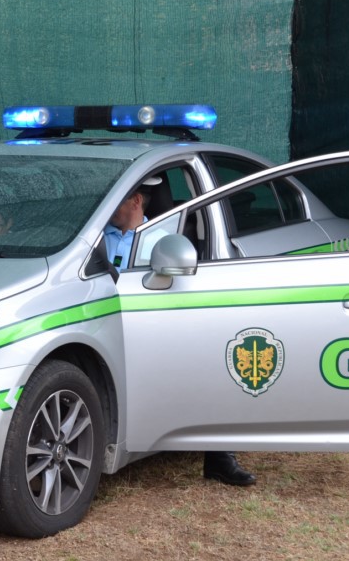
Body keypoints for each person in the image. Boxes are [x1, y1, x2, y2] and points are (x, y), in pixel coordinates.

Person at [104, 177, 256, 487]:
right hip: (105, 321)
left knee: (211, 366)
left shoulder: (163, 238)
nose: (108, 210)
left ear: (136, 201)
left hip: (155, 323)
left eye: (116, 201)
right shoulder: (95, 237)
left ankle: (219, 457)